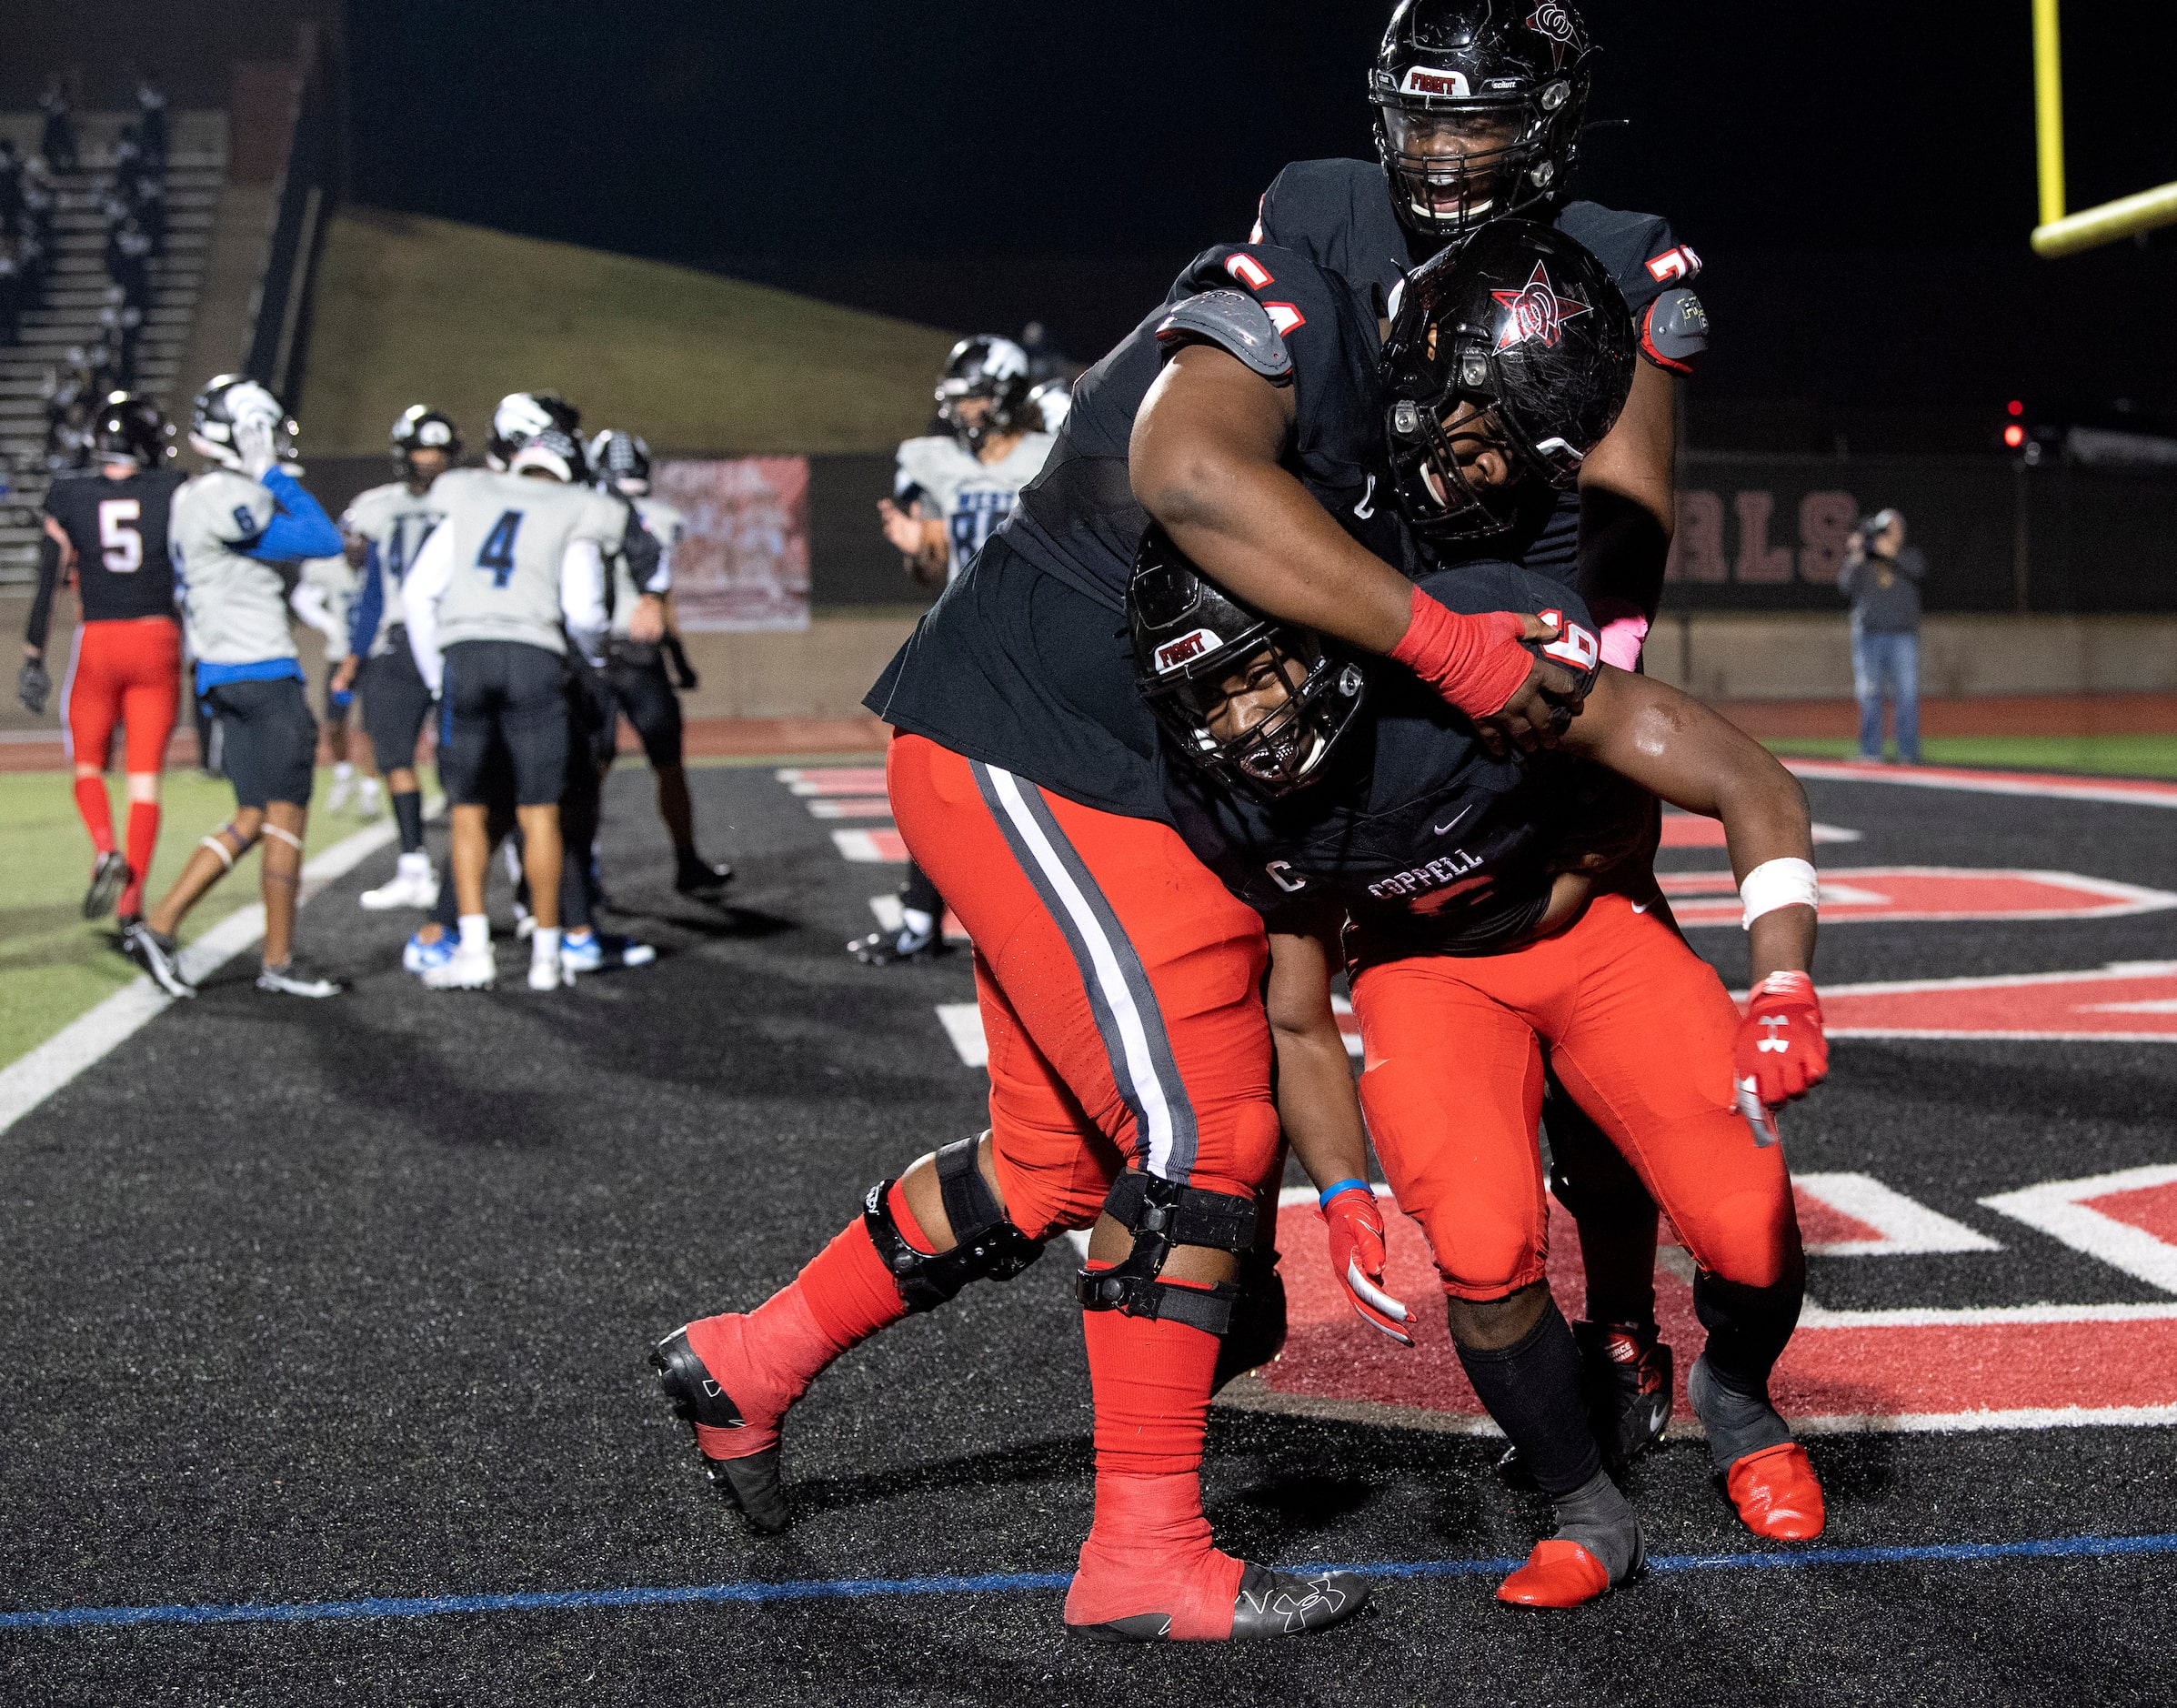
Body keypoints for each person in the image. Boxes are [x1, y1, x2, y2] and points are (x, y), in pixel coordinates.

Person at [651, 226, 1589, 1643]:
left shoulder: (1409, 442)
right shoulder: (1288, 329)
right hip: (1043, 753)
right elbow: (1194, 474)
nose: (1493, 462)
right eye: (1485, 421)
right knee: (1203, 1144)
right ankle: (1144, 1550)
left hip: (1102, 776)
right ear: (1429, 354)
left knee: (1045, 1168)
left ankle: (746, 1359)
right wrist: (1455, 649)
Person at [1129, 533, 1829, 1610]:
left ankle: (1737, 1400)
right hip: (1426, 975)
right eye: (1210, 698)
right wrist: (1343, 1186)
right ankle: (1585, 1507)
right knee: (1481, 1247)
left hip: (1593, 933)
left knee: (1748, 1223)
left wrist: (1781, 984)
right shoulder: (1223, 800)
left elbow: (1746, 777)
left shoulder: (1463, 655)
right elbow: (1300, 1015)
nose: (1246, 720)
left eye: (1258, 671)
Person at [1248, 0, 1713, 1468]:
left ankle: (1625, 1315)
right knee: (1254, 961)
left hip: (1530, 642)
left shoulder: (1624, 246)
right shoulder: (1313, 202)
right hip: (1344, 642)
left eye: (1479, 119)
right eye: (1422, 114)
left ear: (1553, 117)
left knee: (1590, 1006)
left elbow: (1624, 500)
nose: (1443, 151)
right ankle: (1227, 1252)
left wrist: (1590, 690)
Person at [400, 392, 664, 991]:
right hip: (535, 660)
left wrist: (439, 676)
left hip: (464, 656)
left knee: (470, 811)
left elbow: (420, 593)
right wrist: (598, 654)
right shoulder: (573, 505)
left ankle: (470, 950)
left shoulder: (467, 491)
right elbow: (587, 602)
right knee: (543, 811)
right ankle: (553, 952)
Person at [125, 377, 347, 1000]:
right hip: (263, 676)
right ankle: (279, 962)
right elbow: (323, 540)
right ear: (244, 430)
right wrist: (273, 477)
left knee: (251, 816)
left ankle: (160, 925)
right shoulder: (229, 496)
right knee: (284, 821)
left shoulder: (197, 496)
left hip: (222, 676)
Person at [852, 337, 1056, 966]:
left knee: (1041, 783)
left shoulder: (1052, 454)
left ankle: (1048, 919)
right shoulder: (937, 461)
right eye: (959, 396)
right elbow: (932, 566)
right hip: (965, 637)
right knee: (932, 776)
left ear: (1010, 396)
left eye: (976, 395)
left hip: (1038, 641)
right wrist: (918, 543)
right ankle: (919, 918)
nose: (965, 408)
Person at [23, 394, 186, 926]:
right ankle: (131, 905)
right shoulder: (174, 490)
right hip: (157, 639)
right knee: (145, 781)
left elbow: (48, 584)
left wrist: (32, 655)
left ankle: (103, 850)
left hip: (98, 643)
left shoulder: (69, 496)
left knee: (88, 764)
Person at [583, 428, 734, 901]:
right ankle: (686, 861)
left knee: (593, 771)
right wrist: (679, 659)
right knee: (668, 766)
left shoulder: (584, 511)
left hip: (599, 651)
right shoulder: (661, 518)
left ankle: (584, 872)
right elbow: (661, 597)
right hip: (642, 656)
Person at [343, 407, 456, 911]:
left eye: (438, 452)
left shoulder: (468, 499)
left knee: (466, 762)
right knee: (394, 757)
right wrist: (354, 653)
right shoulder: (377, 507)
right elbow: (368, 587)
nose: (430, 462)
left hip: (455, 638)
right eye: (422, 451)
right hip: (399, 639)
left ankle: (503, 872)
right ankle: (414, 862)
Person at [291, 548, 376, 817]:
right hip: (340, 657)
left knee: (372, 727)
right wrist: (329, 624)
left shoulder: (379, 563)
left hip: (374, 658)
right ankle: (343, 775)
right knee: (332, 723)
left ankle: (369, 789)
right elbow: (301, 599)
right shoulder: (329, 568)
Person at [1839, 508, 1922, 764]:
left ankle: (1907, 753)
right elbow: (1845, 586)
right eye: (1884, 529)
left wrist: (1888, 552)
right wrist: (1856, 555)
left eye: (1894, 528)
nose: (1889, 534)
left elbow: (1918, 572)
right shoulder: (1864, 560)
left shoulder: (1910, 556)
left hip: (1902, 636)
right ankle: (1870, 751)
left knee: (1906, 694)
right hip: (1869, 636)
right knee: (1869, 694)